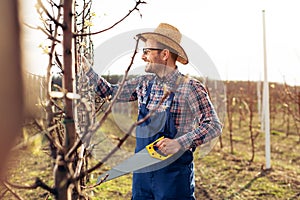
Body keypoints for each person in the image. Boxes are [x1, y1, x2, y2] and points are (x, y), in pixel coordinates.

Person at [83, 23, 222, 200]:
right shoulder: (144, 83)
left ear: (164, 54)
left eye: (147, 51)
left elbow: (213, 125)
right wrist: (87, 69)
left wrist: (179, 142)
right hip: (142, 177)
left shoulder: (190, 88)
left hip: (173, 179)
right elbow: (110, 92)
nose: (142, 56)